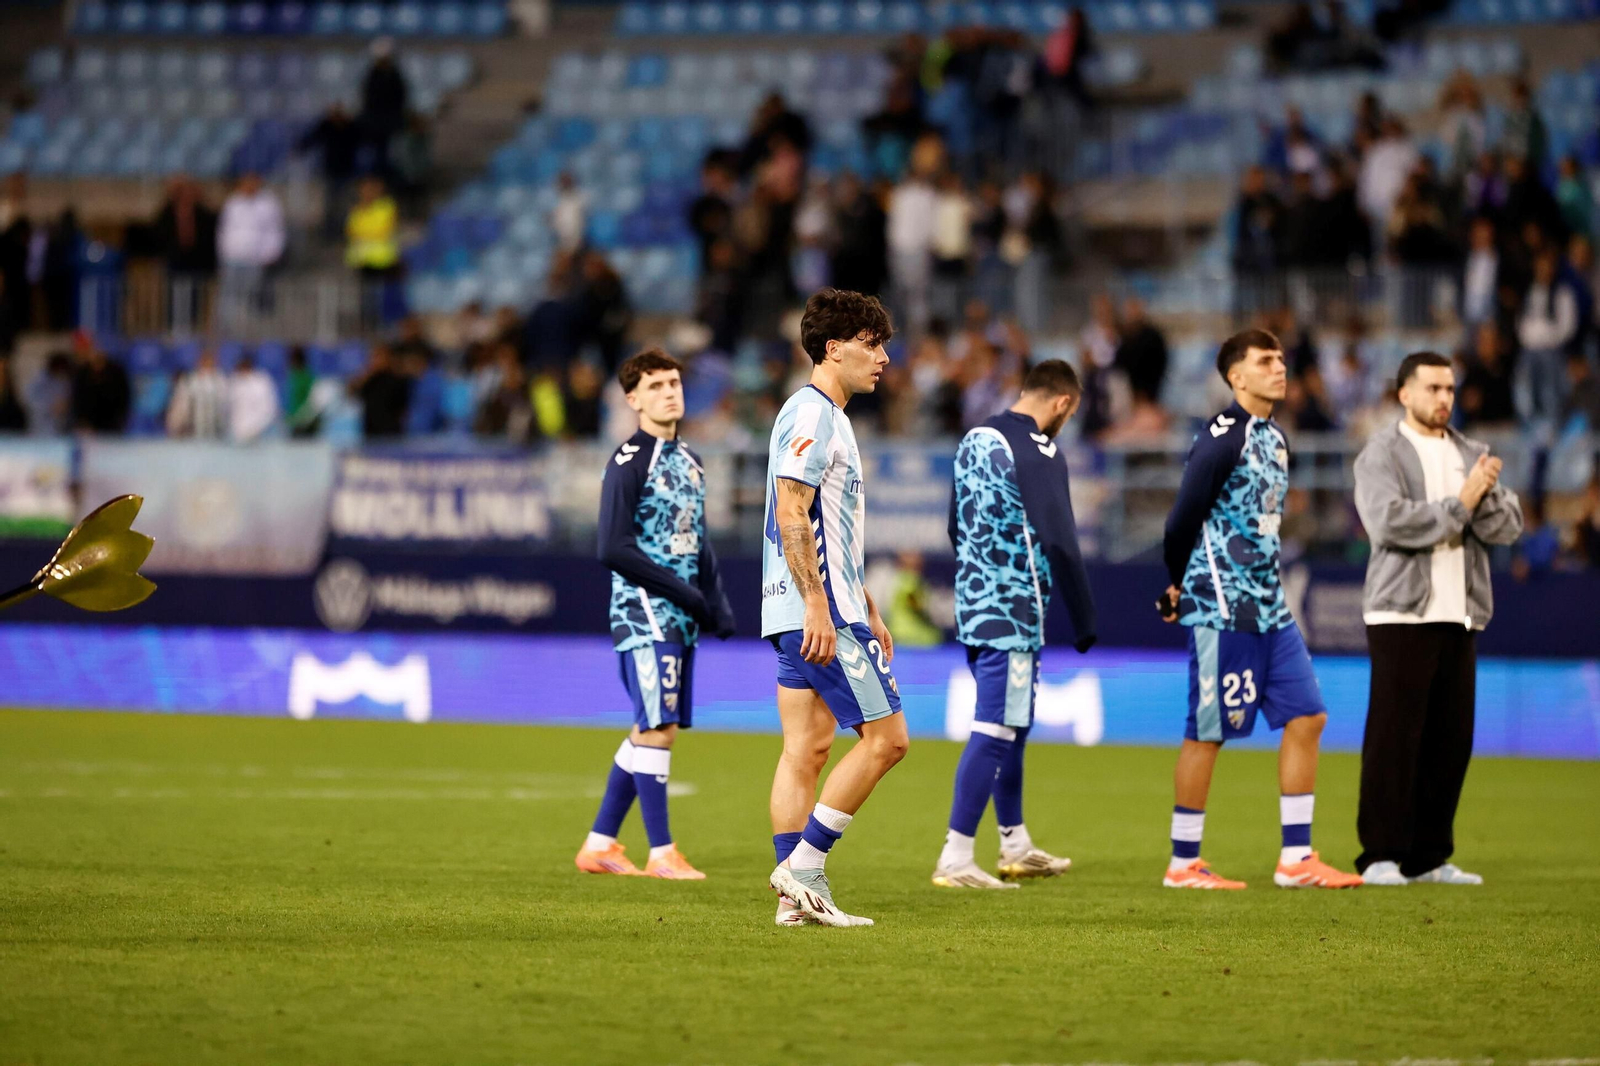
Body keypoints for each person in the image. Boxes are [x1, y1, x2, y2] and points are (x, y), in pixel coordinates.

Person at [1157, 329, 1361, 890]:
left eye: (1281, 358)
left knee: (1308, 716)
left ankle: (1297, 859)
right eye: (1265, 360)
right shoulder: (1223, 437)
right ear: (1236, 376)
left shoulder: (1274, 438)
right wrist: (1178, 584)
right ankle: (1183, 864)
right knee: (1208, 732)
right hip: (1222, 607)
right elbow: (1180, 520)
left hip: (1270, 605)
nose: (1280, 368)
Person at [762, 289, 906, 928]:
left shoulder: (824, 415)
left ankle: (795, 902)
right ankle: (804, 870)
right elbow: (792, 510)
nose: (882, 357)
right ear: (832, 348)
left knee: (806, 749)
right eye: (871, 344)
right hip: (817, 613)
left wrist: (869, 604)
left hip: (809, 606)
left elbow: (828, 526)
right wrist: (821, 607)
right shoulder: (816, 414)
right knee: (888, 741)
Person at [1351, 352, 1523, 885]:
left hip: (1460, 614)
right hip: (1401, 612)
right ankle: (1380, 854)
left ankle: (1429, 857)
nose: (1444, 398)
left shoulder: (1472, 451)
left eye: (1450, 388)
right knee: (1394, 738)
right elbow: (1389, 524)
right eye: (1432, 388)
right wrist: (1463, 502)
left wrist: (1480, 499)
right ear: (1405, 394)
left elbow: (1509, 525)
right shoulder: (1380, 454)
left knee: (1451, 740)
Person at [933, 359, 1097, 890]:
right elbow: (1061, 539)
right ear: (1063, 403)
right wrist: (1085, 617)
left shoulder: (975, 438)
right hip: (1014, 613)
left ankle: (1015, 844)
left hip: (975, 604)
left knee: (1014, 727)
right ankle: (956, 857)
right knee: (996, 728)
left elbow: (954, 525)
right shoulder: (1040, 449)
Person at [575, 348, 736, 881]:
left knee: (649, 726)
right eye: (656, 385)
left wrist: (716, 600)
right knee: (660, 729)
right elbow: (612, 547)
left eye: (674, 382)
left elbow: (698, 540)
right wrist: (684, 595)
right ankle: (662, 852)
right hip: (644, 612)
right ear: (633, 399)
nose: (670, 392)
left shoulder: (690, 459)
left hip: (680, 614)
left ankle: (600, 845)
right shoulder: (628, 461)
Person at [216, 173, 285, 334]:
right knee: (229, 297)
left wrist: (271, 254)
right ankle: (228, 331)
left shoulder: (268, 204)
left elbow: (275, 231)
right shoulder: (233, 202)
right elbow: (224, 231)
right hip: (232, 259)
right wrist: (223, 255)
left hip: (256, 260)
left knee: (254, 296)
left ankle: (254, 332)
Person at [165, 348, 229, 438]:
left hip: (215, 427)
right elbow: (180, 405)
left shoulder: (220, 379)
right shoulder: (190, 380)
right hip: (194, 427)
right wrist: (177, 424)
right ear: (199, 363)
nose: (207, 365)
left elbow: (225, 403)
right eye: (204, 362)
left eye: (209, 362)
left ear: (215, 363)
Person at [228, 351, 280, 443]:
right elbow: (230, 409)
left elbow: (270, 409)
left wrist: (257, 428)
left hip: (259, 432)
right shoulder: (234, 382)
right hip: (237, 434)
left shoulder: (262, 382)